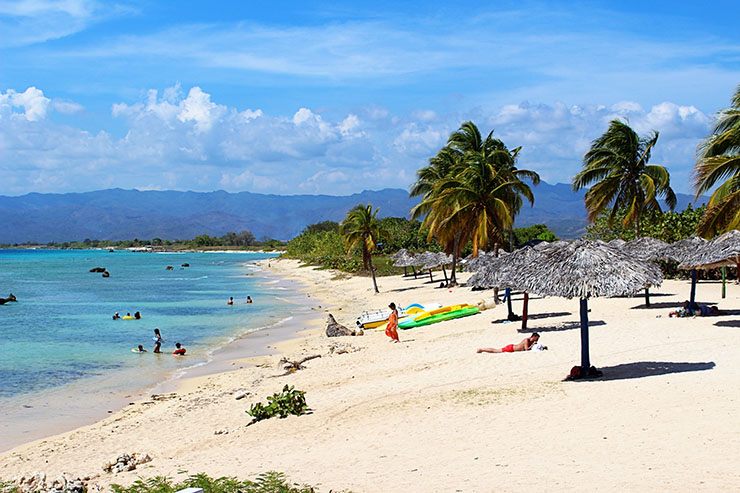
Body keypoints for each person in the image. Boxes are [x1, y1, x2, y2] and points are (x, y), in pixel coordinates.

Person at [477, 333, 544, 353]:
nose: (537, 340)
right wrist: (532, 344)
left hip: (512, 347)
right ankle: (482, 349)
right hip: (511, 348)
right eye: (537, 338)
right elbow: (527, 349)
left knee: (497, 350)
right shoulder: (526, 340)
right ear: (534, 337)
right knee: (496, 351)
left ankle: (482, 349)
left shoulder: (530, 341)